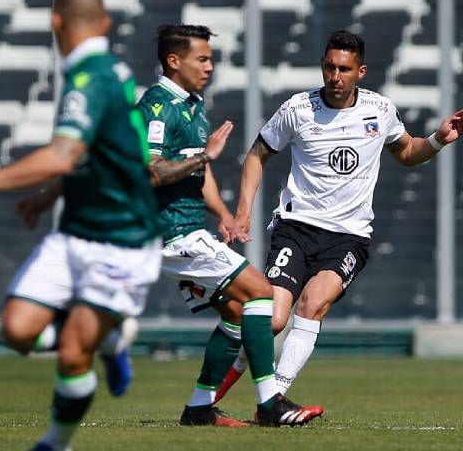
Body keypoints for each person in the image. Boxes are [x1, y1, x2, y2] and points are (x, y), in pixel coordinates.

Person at [0, 0, 161, 451]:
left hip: (122, 239)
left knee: (74, 351)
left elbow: (62, 154)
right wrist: (45, 198)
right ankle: (114, 338)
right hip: (76, 231)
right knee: (16, 330)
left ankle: (55, 443)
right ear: (106, 23)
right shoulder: (108, 70)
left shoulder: (89, 77)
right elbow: (91, 158)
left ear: (55, 22)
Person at [215, 30, 463, 408]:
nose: (335, 76)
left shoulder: (379, 110)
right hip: (296, 229)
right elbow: (256, 155)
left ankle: (274, 400)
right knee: (271, 320)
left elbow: (406, 152)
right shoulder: (298, 109)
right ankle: (210, 397)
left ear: (360, 71)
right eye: (329, 67)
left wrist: (436, 139)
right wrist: (242, 213)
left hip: (348, 236)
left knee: (314, 303)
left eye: (344, 69)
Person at [135, 24, 323, 427]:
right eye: (201, 58)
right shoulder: (156, 107)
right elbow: (150, 171)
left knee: (239, 312)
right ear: (174, 61)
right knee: (260, 292)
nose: (209, 66)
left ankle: (200, 409)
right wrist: (203, 157)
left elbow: (199, 174)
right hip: (170, 233)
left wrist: (223, 213)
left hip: (186, 230)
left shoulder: (192, 104)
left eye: (210, 58)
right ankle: (271, 402)